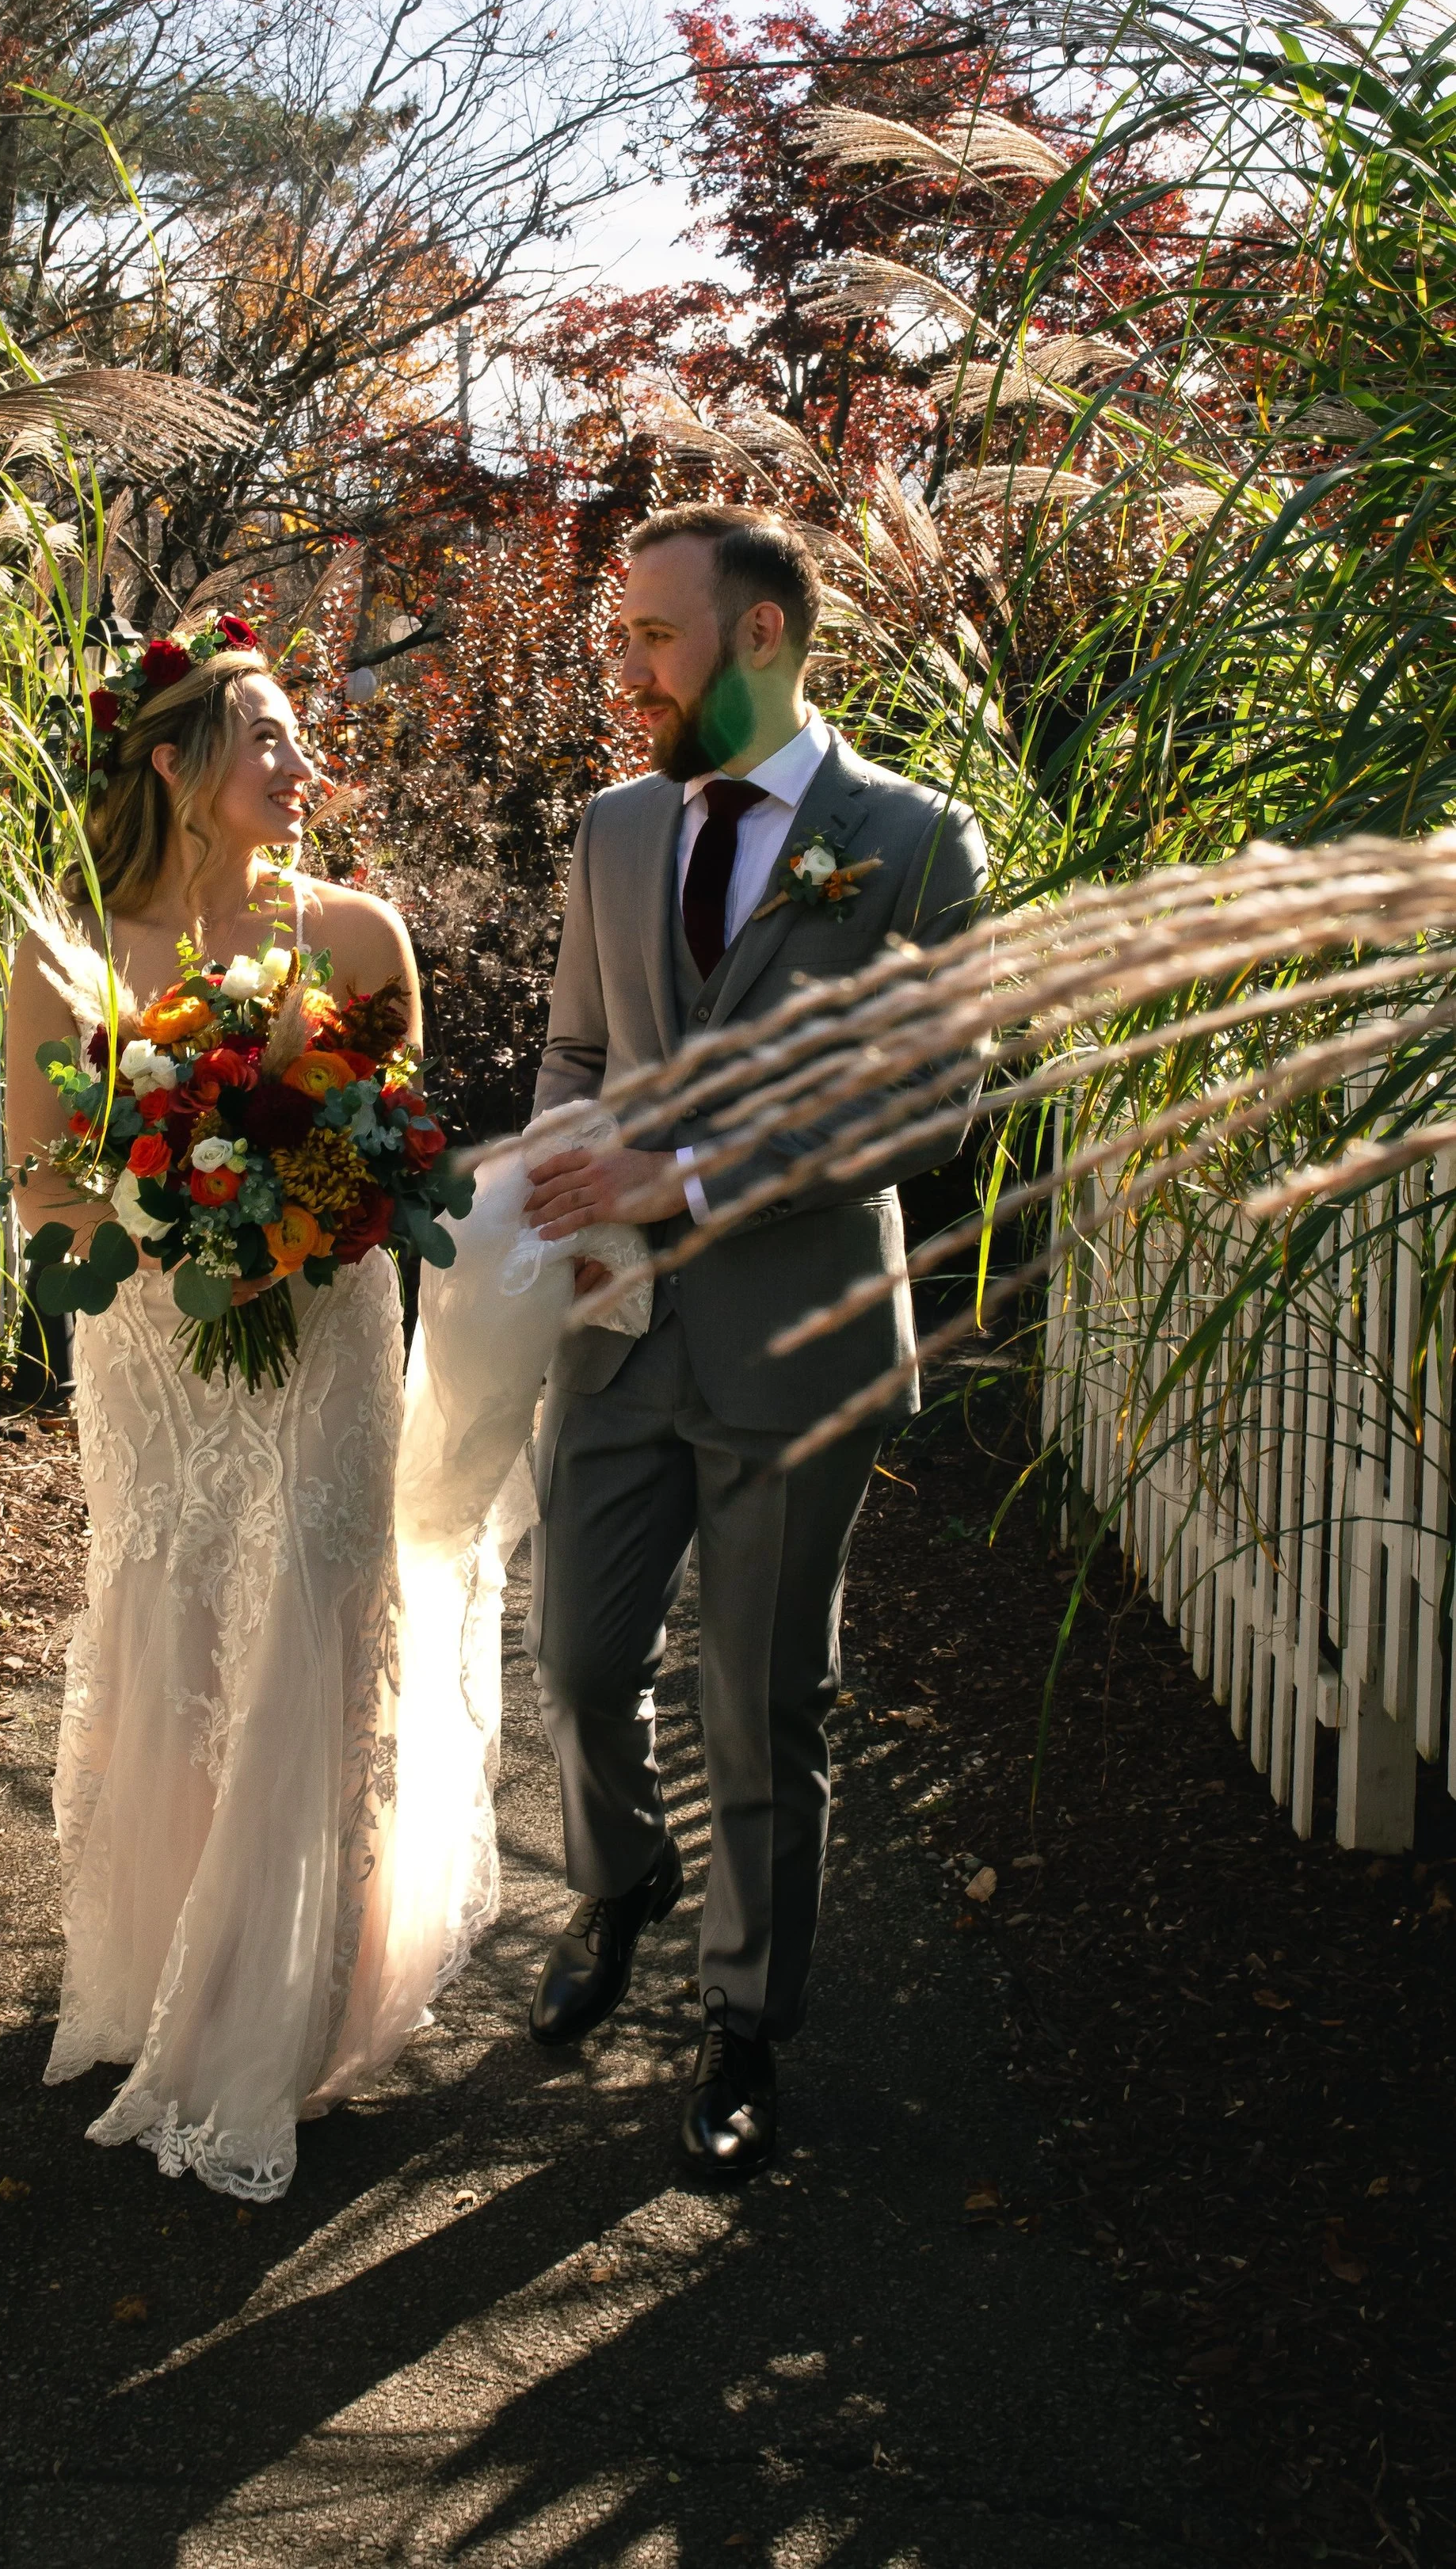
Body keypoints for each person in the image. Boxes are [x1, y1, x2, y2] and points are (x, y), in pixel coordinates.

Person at [522, 505, 987, 2183]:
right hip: (613, 1330)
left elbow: (928, 1100)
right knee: (575, 1666)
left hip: (797, 1340)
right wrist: (559, 1180)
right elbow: (578, 1050)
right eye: (619, 634)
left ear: (765, 634)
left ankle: (741, 2025)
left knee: (762, 1696)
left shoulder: (914, 841)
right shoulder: (613, 831)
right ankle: (619, 1877)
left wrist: (693, 1172)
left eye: (650, 634)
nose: (623, 664)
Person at [5, 618, 497, 2202]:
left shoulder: (358, 935)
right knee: (167, 1613)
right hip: (156, 1345)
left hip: (325, 1335)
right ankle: (165, 1971)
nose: (301, 767)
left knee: (303, 1605)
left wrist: (301, 1212)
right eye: (267, 738)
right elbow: (40, 1184)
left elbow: (395, 1147)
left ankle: (298, 1998)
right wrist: (165, 1225)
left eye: (301, 740)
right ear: (171, 760)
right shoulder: (67, 950)